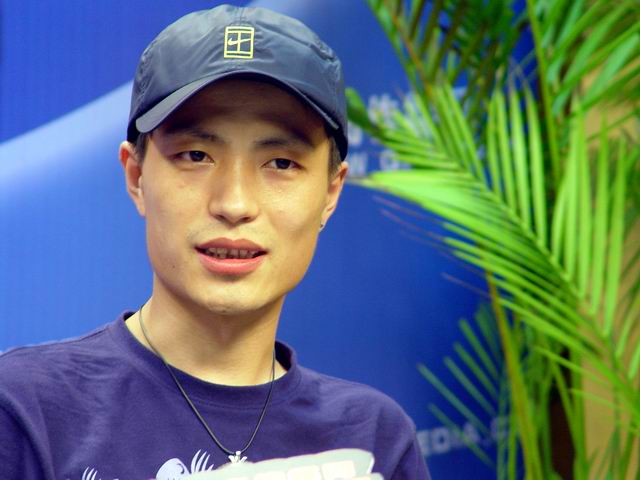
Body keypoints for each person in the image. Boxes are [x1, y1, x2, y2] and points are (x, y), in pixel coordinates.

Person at [0, 5, 430, 479]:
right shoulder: (25, 410)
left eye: (281, 163)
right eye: (196, 155)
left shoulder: (373, 440)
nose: (234, 203)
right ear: (137, 176)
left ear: (330, 192)